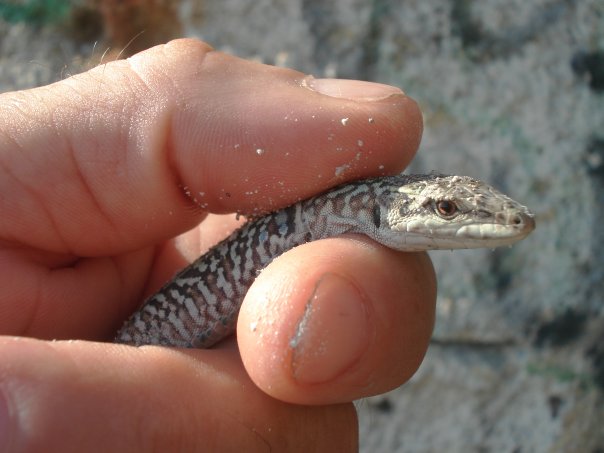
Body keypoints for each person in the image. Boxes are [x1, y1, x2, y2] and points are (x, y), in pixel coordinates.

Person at [0, 39, 435, 451]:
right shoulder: (347, 203)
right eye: (447, 209)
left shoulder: (347, 216)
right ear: (389, 208)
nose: (489, 223)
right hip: (140, 339)